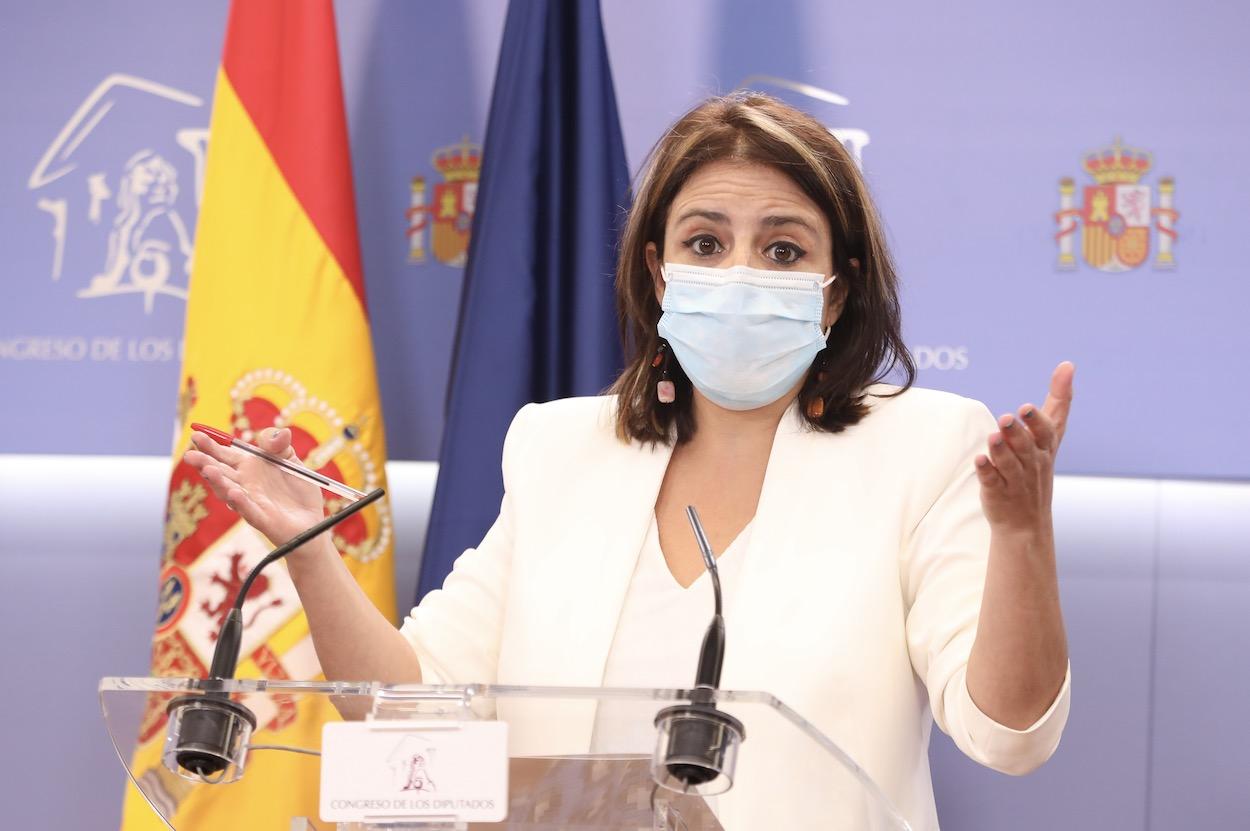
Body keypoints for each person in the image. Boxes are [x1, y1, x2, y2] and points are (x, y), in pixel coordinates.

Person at [185, 92, 1072, 829]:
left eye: (783, 249)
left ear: (835, 290)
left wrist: (1023, 535)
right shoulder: (562, 450)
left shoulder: (921, 448)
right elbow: (412, 701)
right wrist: (310, 548)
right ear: (658, 271)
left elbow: (1010, 731)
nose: (738, 272)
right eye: (704, 242)